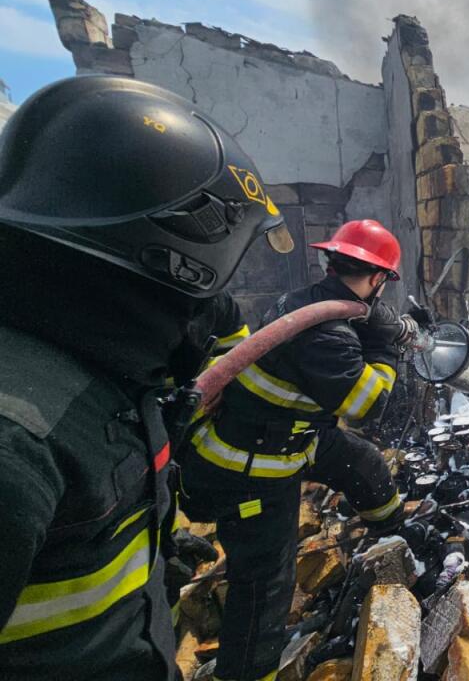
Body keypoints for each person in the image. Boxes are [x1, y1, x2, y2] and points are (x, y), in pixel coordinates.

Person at [0, 75, 293, 679]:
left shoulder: (110, 372)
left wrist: (145, 550)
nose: (220, 300)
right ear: (181, 258)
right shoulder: (18, 440)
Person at [179, 219, 419, 681]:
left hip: (292, 434)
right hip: (250, 466)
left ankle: (391, 533)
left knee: (362, 462)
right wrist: (385, 348)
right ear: (377, 278)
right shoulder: (328, 335)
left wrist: (374, 326)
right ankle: (248, 673)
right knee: (266, 586)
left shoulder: (305, 301)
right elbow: (367, 406)